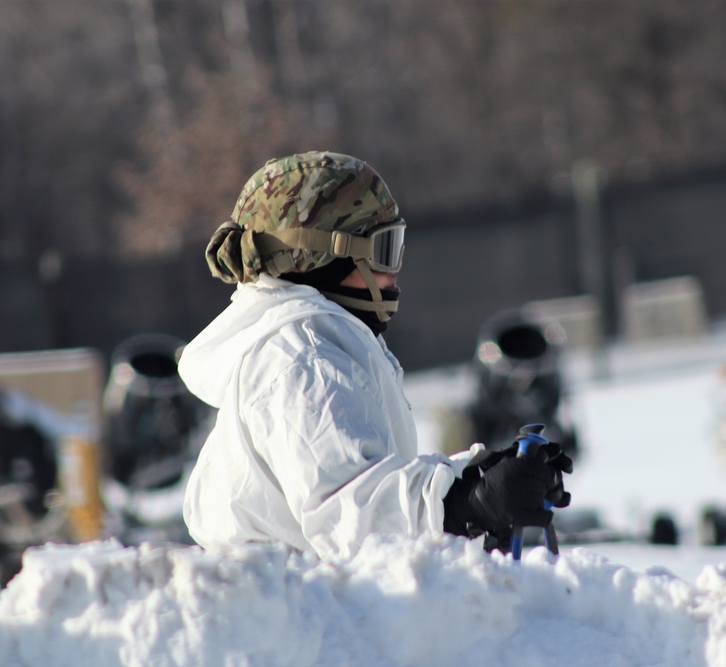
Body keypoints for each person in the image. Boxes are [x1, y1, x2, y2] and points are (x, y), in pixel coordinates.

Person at [178, 151, 571, 560]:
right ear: (316, 259)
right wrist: (465, 502)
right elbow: (350, 510)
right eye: (385, 249)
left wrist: (478, 476)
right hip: (292, 613)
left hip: (303, 601)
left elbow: (363, 476)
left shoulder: (312, 345)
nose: (394, 273)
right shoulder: (304, 360)